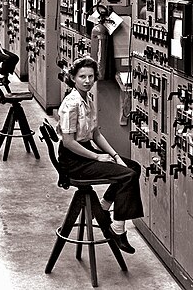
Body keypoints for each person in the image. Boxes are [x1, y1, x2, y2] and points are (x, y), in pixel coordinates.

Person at [56, 56, 143, 254]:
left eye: (91, 76)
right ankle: (118, 229)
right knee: (127, 176)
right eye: (82, 76)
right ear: (73, 78)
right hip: (74, 160)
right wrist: (97, 157)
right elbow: (68, 142)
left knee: (133, 167)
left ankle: (104, 205)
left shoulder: (88, 99)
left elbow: (95, 133)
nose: (87, 81)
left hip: (86, 149)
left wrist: (114, 155)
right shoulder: (71, 104)